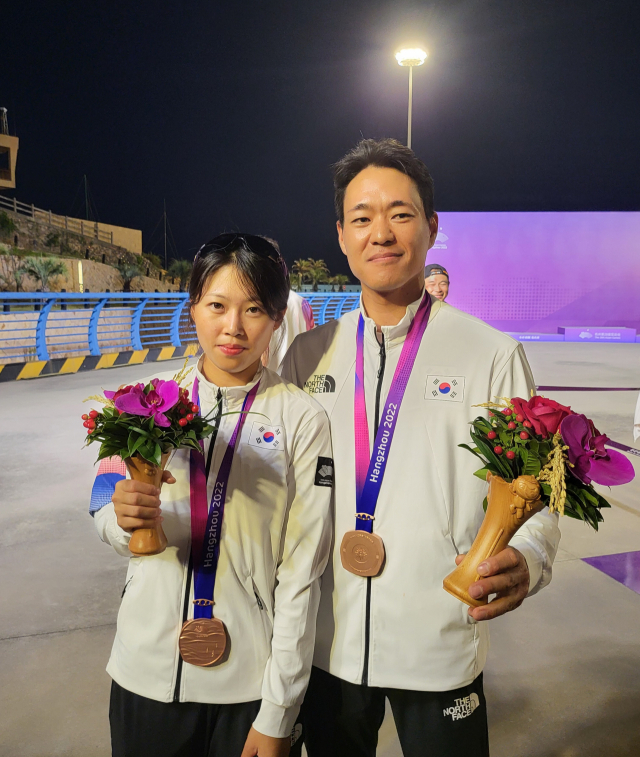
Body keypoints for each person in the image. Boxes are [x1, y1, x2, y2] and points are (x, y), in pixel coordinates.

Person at [281, 139, 560, 757]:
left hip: (440, 646)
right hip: (325, 644)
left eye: (401, 213)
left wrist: (530, 562)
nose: (381, 232)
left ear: (432, 227)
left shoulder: (491, 355)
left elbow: (536, 494)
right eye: (362, 218)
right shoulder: (306, 355)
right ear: (342, 236)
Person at [89, 233, 333, 757]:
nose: (234, 327)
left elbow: (301, 575)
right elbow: (102, 502)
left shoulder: (300, 418)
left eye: (254, 310)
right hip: (145, 673)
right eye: (217, 305)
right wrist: (120, 520)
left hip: (248, 686)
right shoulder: (142, 401)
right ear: (193, 305)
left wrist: (279, 712)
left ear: (275, 318)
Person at [261, 238, 315, 372]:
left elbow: (261, 359)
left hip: (269, 385)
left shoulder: (261, 302)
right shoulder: (302, 303)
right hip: (298, 380)